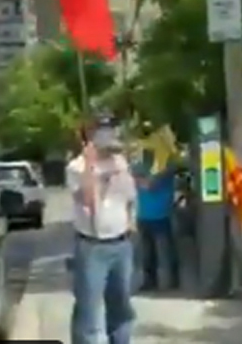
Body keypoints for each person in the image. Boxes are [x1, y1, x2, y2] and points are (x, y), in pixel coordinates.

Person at [67, 115, 137, 344]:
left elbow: (130, 196)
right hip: (92, 246)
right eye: (103, 130)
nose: (109, 134)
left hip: (121, 244)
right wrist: (90, 164)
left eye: (110, 129)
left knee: (122, 308)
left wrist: (131, 222)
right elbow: (87, 199)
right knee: (88, 312)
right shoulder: (77, 167)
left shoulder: (120, 161)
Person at [136, 161, 180, 292]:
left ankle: (170, 281)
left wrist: (139, 180)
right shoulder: (142, 164)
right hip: (144, 215)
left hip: (160, 215)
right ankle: (151, 281)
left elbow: (150, 185)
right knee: (148, 253)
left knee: (164, 251)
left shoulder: (167, 167)